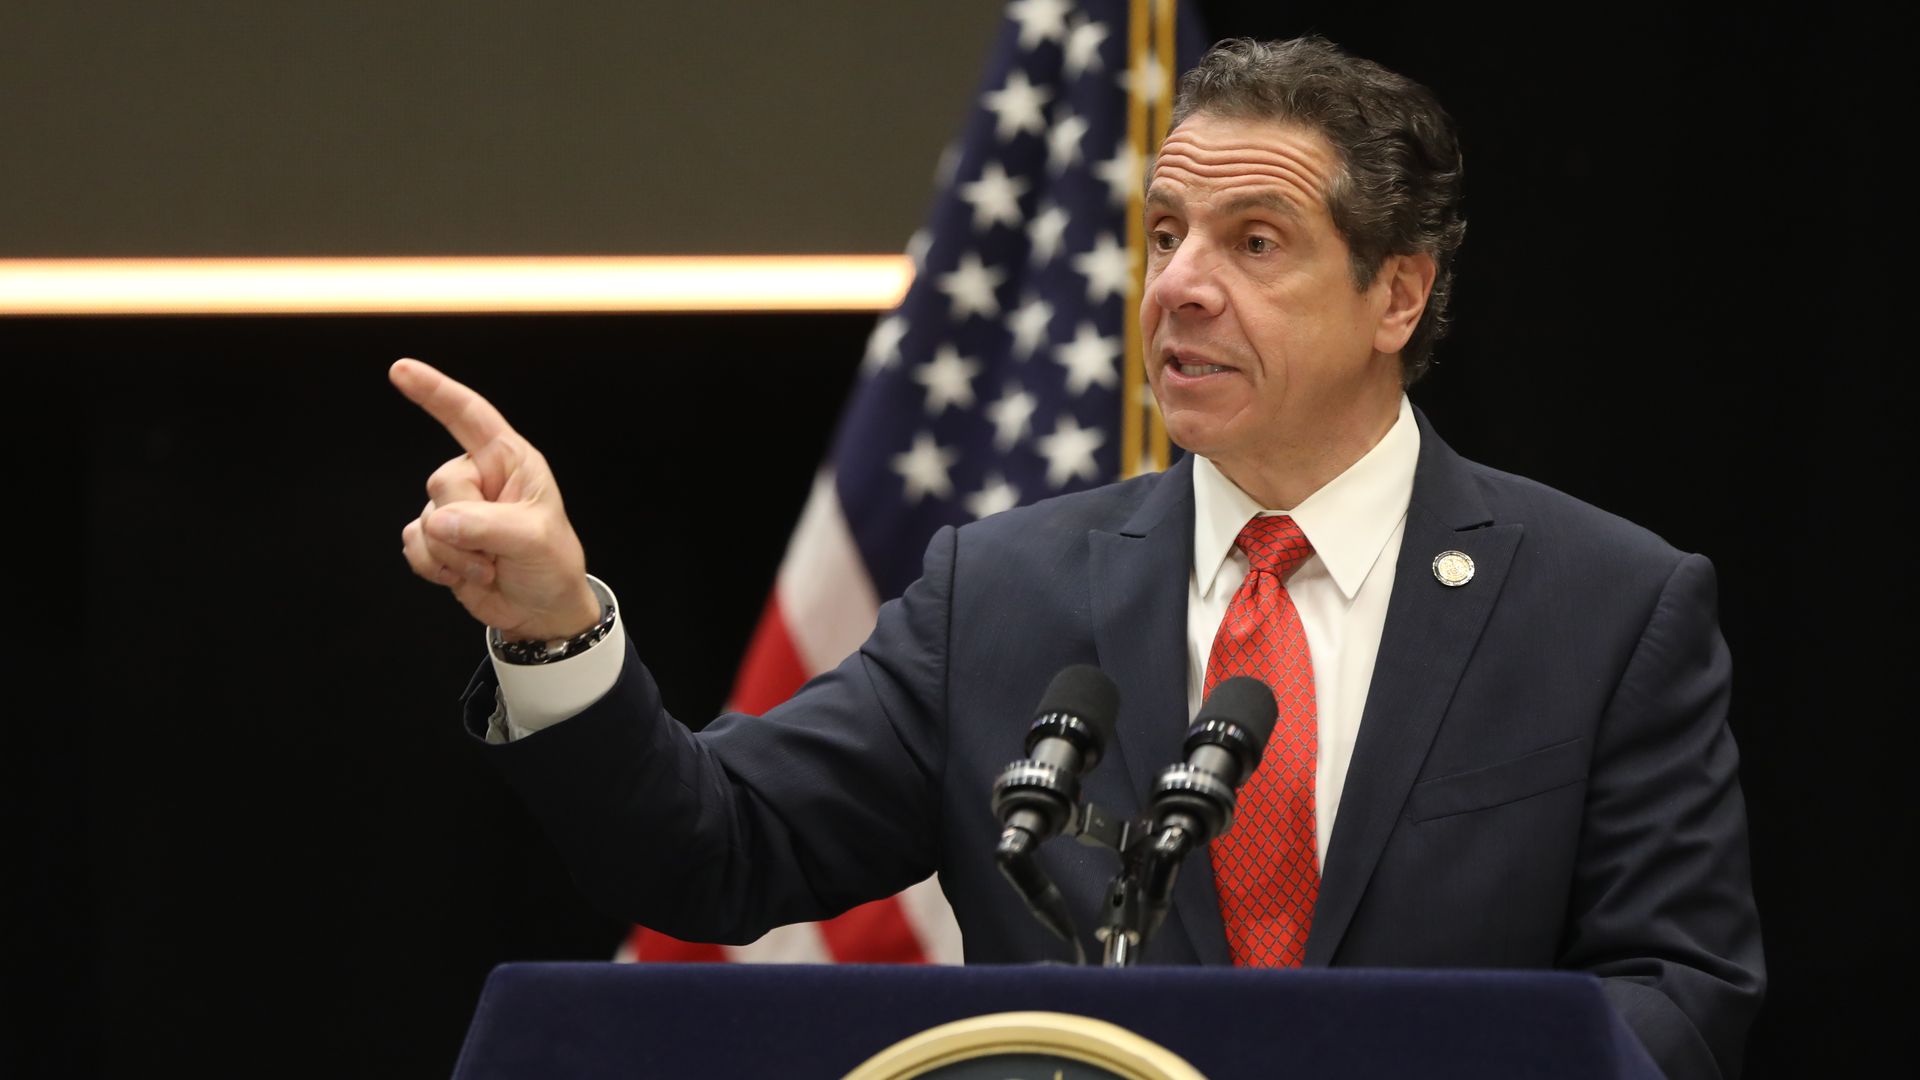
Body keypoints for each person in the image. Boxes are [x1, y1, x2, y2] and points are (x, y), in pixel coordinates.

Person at [395, 37, 1762, 1080]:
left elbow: (1682, 987)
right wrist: (555, 629)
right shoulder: (1002, 593)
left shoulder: (1605, 606)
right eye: (1165, 236)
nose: (1179, 285)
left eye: (1256, 242)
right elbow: (716, 853)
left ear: (1395, 293)